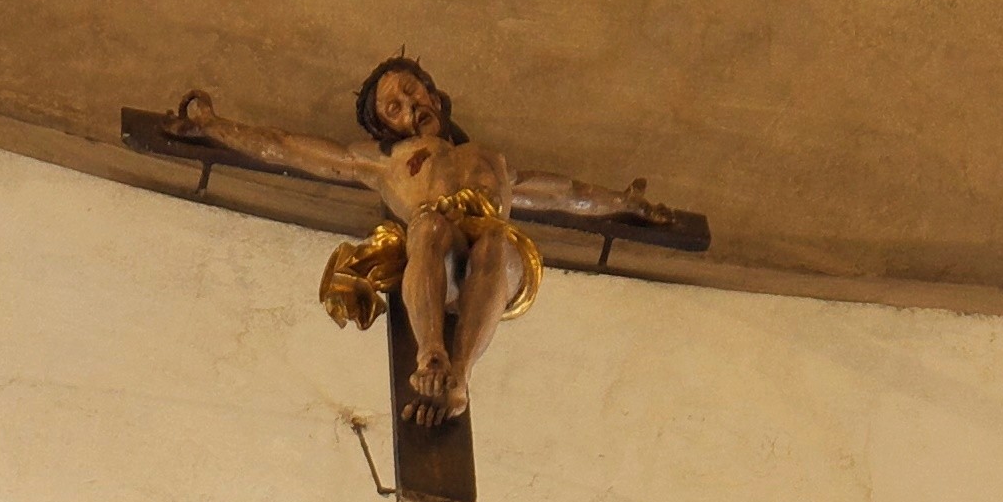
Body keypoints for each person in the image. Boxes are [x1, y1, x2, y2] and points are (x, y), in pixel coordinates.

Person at [163, 58, 679, 427]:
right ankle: (432, 354)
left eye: (413, 93)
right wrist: (213, 126)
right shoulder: (385, 162)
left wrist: (625, 203)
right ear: (383, 125)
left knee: (493, 232)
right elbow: (286, 147)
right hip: (436, 256)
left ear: (434, 97)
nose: (409, 106)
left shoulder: (491, 158)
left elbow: (568, 195)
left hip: (497, 267)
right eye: (394, 106)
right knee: (429, 224)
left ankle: (461, 377)